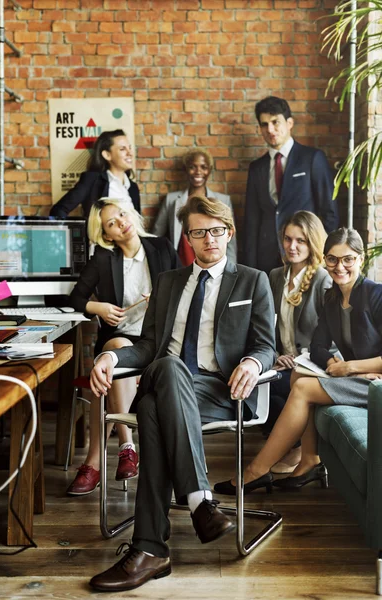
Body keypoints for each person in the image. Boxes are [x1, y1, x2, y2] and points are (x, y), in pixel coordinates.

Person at [88, 195, 275, 592]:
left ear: (230, 232)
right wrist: (110, 358)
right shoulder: (169, 282)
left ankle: (150, 548)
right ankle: (199, 501)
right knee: (170, 365)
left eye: (217, 230)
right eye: (199, 232)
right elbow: (147, 344)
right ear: (187, 237)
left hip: (217, 388)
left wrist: (253, 364)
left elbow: (265, 344)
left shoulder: (253, 280)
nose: (209, 239)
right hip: (167, 373)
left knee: (154, 409)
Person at [215, 227, 382, 495]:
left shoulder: (376, 295)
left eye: (348, 259)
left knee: (303, 388)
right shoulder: (332, 298)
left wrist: (352, 367)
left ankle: (255, 472)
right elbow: (317, 347)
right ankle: (309, 460)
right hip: (359, 379)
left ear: (360, 259)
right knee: (297, 376)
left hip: (376, 384)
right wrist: (333, 364)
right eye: (332, 259)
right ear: (324, 259)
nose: (340, 267)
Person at [66, 198, 180, 496]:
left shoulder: (162, 248)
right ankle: (127, 446)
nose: (121, 222)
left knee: (100, 380)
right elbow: (75, 298)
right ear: (107, 235)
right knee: (114, 350)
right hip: (122, 337)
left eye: (121, 214)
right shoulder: (105, 259)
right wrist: (99, 306)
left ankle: (94, 462)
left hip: (157, 342)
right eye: (111, 223)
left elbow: (187, 287)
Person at [260, 211, 331, 475]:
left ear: (313, 242)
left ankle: (298, 449)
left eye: (300, 240)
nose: (292, 246)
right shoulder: (275, 276)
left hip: (310, 364)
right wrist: (276, 354)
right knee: (256, 386)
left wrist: (301, 358)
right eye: (288, 239)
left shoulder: (323, 279)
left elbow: (331, 337)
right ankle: (288, 447)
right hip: (281, 362)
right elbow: (265, 326)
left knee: (277, 390)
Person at [242, 96, 339, 273]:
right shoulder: (256, 168)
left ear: (289, 123)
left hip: (306, 254)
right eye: (264, 124)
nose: (270, 129)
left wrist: (324, 254)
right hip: (266, 258)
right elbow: (251, 221)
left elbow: (329, 211)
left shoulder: (312, 158)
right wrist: (249, 269)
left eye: (275, 122)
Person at [152, 148, 237, 265]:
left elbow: (231, 244)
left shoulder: (223, 200)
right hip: (180, 265)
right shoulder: (171, 200)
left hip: (214, 264)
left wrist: (230, 272)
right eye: (192, 167)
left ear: (210, 170)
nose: (198, 171)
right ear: (186, 170)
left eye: (203, 167)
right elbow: (156, 238)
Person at [50, 129, 140, 218]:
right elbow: (59, 210)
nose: (130, 153)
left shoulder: (133, 188)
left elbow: (138, 225)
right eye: (122, 149)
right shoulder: (92, 180)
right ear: (107, 155)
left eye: (130, 148)